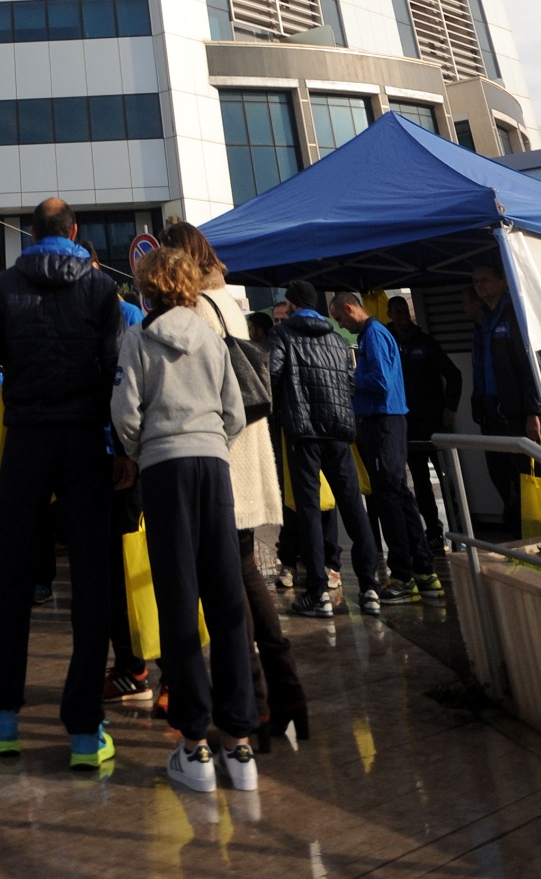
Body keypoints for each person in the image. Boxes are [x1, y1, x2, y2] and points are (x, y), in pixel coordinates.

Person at [0, 197, 124, 771]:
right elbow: (116, 366)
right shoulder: (103, 290)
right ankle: (84, 729)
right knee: (90, 580)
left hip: (26, 438)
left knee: (11, 578)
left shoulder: (6, 285)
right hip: (86, 440)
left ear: (30, 233)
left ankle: (3, 717)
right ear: (76, 231)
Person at [113, 243, 259, 794]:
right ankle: (239, 744)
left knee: (178, 596)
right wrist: (212, 441)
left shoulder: (137, 337)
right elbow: (235, 410)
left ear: (149, 288)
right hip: (213, 465)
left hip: (163, 468)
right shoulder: (213, 340)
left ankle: (194, 743)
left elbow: (125, 412)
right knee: (226, 598)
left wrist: (142, 447)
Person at [167, 223, 308, 744]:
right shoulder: (230, 300)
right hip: (249, 446)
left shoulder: (198, 309)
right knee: (244, 569)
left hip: (219, 450)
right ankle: (286, 689)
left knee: (227, 582)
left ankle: (256, 701)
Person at [269, 279, 381, 619]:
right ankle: (370, 587)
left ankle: (317, 591)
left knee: (308, 510)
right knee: (353, 508)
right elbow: (349, 381)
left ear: (289, 305)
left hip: (303, 434)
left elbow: (272, 375)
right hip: (338, 432)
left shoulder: (284, 335)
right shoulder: (336, 338)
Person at [330, 290, 439, 601]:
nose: (341, 325)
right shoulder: (376, 335)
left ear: (350, 309)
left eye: (340, 318)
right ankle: (424, 570)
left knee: (389, 499)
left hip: (383, 421)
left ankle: (403, 574)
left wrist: (349, 381)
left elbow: (379, 381)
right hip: (389, 421)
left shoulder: (374, 336)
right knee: (401, 496)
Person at [470, 255, 540, 536]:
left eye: (484, 279)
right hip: (490, 413)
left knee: (525, 476)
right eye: (475, 282)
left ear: (502, 281)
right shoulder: (484, 319)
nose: (479, 286)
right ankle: (514, 529)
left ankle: (533, 530)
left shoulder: (514, 314)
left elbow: (531, 365)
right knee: (500, 475)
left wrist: (534, 411)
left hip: (515, 413)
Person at [387, 296, 461, 549]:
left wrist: (450, 407)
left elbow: (454, 375)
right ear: (390, 314)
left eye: (404, 312)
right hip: (406, 423)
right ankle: (432, 531)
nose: (402, 317)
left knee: (448, 476)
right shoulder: (386, 342)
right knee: (419, 480)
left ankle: (459, 526)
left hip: (432, 421)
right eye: (396, 313)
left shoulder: (425, 342)